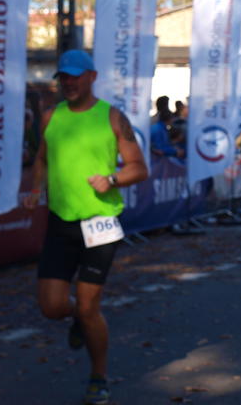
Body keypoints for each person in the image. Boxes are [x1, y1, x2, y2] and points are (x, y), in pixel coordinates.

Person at [24, 50, 148, 405]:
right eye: (63, 76)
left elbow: (139, 168)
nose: (68, 82)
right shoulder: (51, 116)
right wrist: (36, 188)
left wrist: (113, 179)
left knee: (90, 307)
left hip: (100, 224)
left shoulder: (111, 117)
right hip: (61, 222)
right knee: (51, 306)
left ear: (92, 77)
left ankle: (99, 376)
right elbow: (42, 158)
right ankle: (77, 316)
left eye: (75, 76)